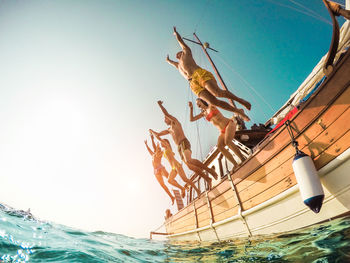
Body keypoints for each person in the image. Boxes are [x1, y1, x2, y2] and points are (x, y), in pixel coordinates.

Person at [166, 26, 251, 121]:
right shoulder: (178, 65)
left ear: (181, 52)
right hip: (193, 84)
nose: (176, 55)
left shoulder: (186, 52)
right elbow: (172, 63)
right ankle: (238, 111)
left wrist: (176, 33)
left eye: (178, 53)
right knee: (213, 102)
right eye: (176, 56)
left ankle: (241, 100)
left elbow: (180, 41)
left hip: (199, 74)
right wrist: (168, 60)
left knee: (217, 93)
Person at [150, 100, 219, 189]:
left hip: (184, 142)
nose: (164, 120)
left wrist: (160, 106)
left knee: (189, 160)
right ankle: (207, 179)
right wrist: (151, 132)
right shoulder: (169, 130)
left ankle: (209, 170)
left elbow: (166, 113)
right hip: (179, 148)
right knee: (190, 167)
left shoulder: (175, 122)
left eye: (165, 119)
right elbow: (158, 134)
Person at [189, 99, 246, 170]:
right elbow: (191, 119)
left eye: (198, 103)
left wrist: (236, 110)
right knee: (220, 146)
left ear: (202, 101)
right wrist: (191, 108)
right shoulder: (203, 114)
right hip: (222, 131)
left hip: (229, 124)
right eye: (196, 104)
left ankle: (243, 159)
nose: (197, 105)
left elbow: (222, 105)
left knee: (227, 142)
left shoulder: (211, 105)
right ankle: (235, 164)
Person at [152, 132, 201, 198]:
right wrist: (156, 146)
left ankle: (197, 190)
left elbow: (159, 138)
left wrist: (152, 132)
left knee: (185, 179)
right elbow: (156, 152)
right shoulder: (163, 151)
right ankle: (182, 188)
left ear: (165, 142)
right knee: (169, 180)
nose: (161, 144)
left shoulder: (167, 147)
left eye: (162, 143)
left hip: (177, 165)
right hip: (173, 168)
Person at [144, 134, 175, 205]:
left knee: (169, 179)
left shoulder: (160, 153)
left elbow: (155, 147)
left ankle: (181, 187)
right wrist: (146, 144)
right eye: (158, 149)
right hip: (155, 171)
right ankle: (172, 197)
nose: (158, 150)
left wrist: (152, 139)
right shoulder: (153, 154)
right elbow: (150, 149)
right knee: (163, 185)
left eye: (159, 149)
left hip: (160, 168)